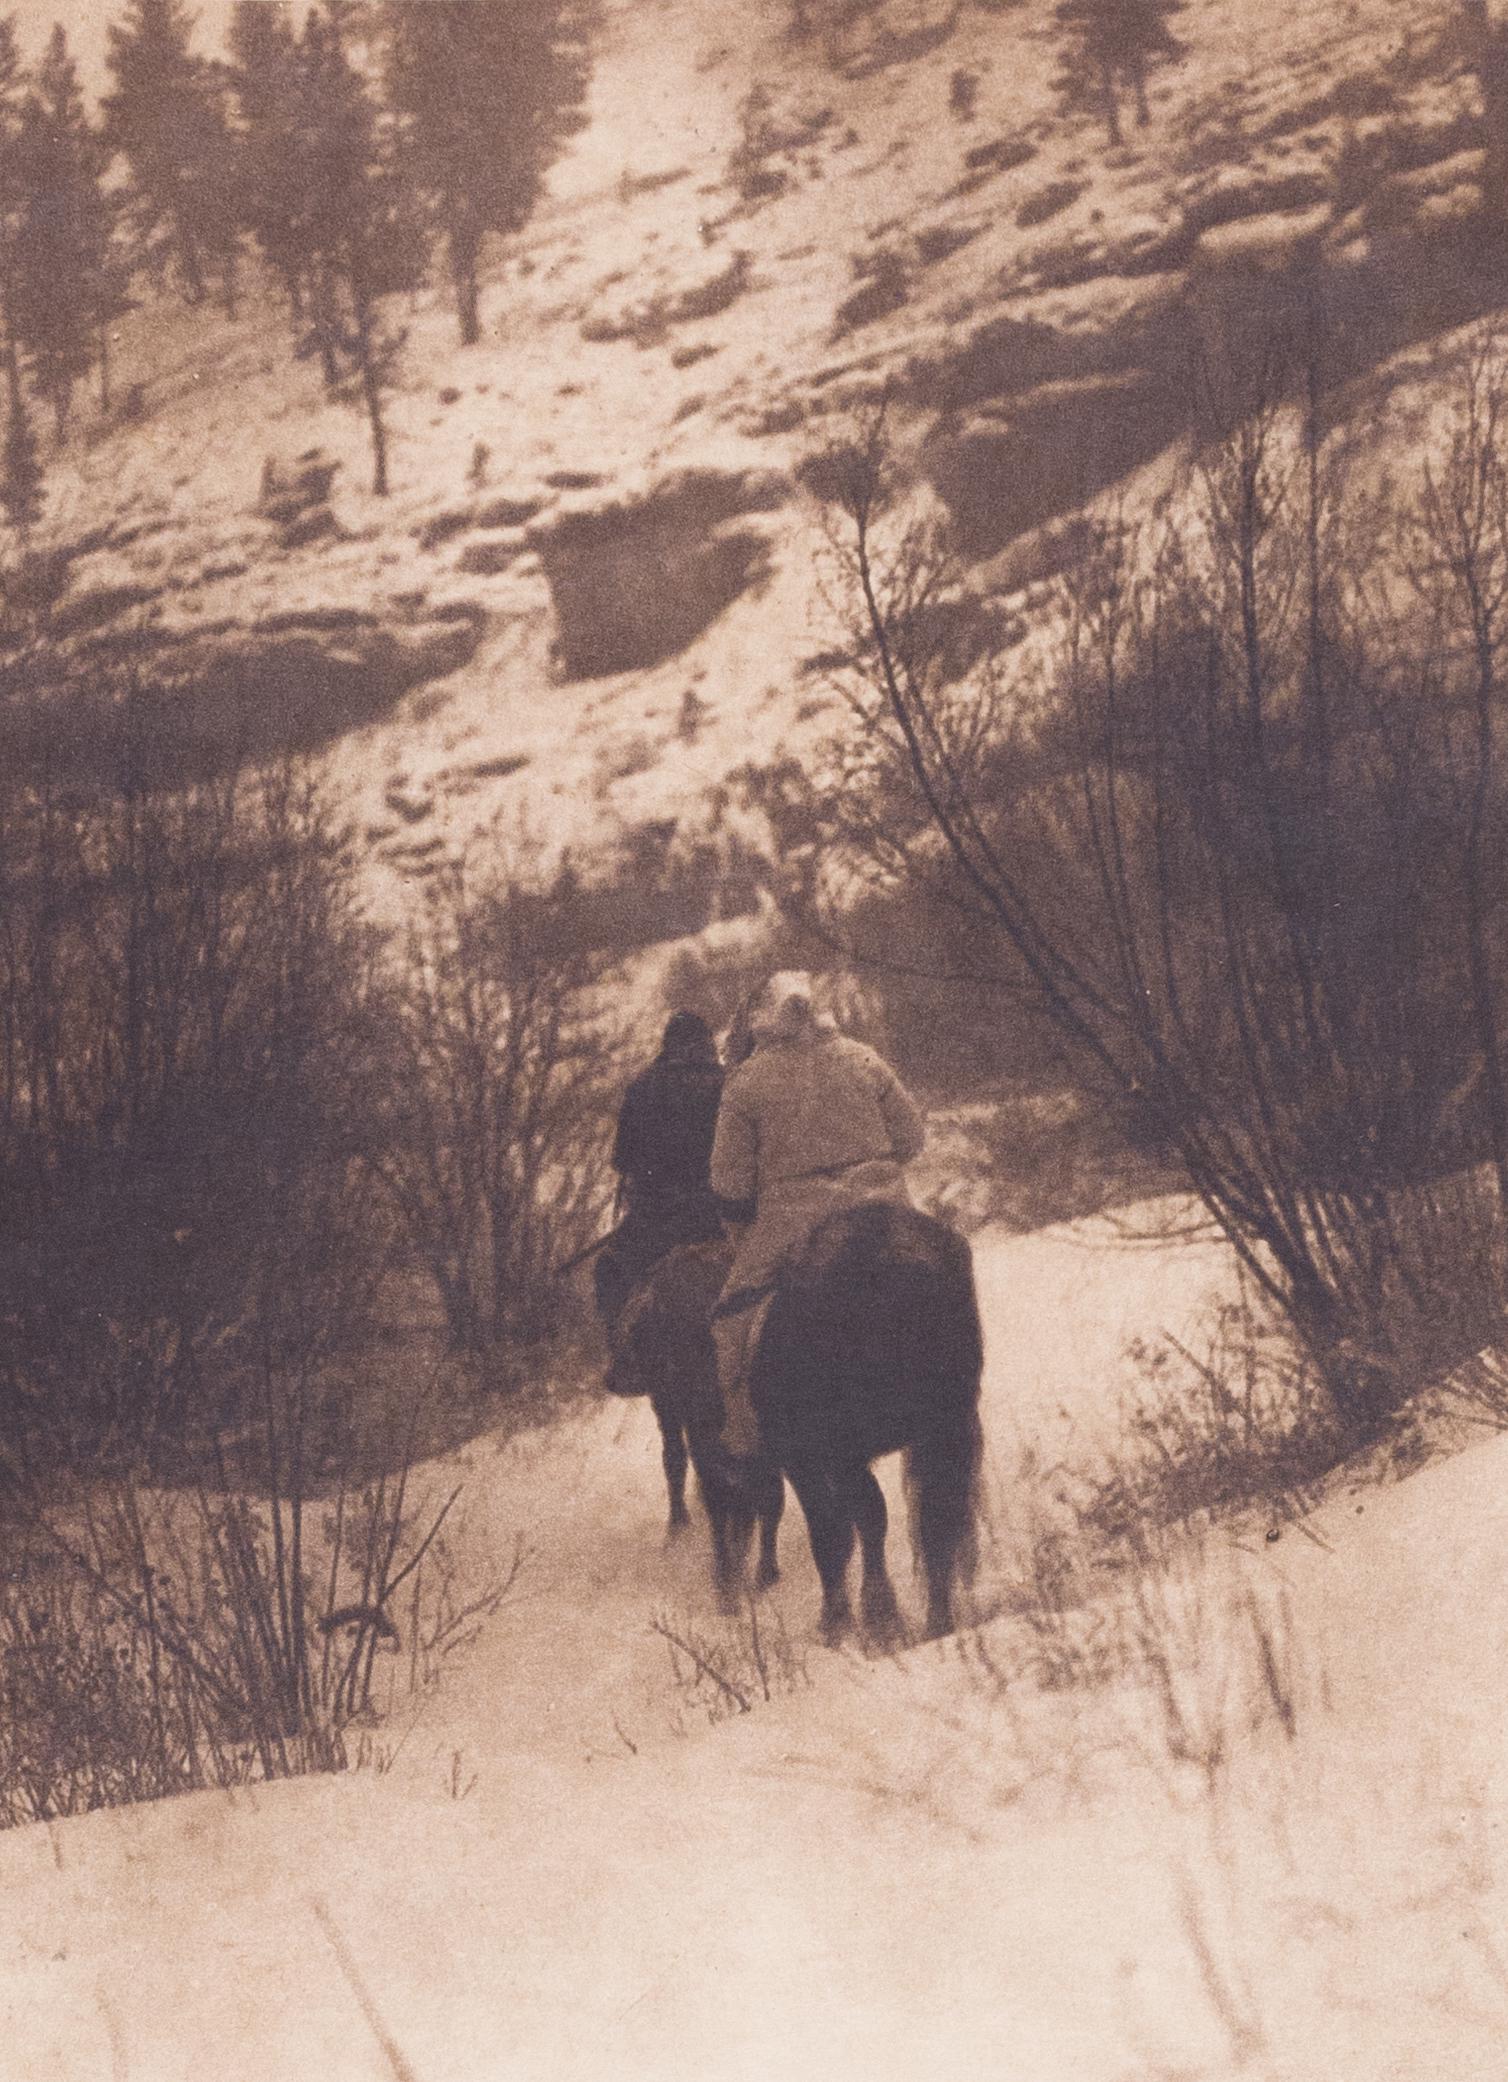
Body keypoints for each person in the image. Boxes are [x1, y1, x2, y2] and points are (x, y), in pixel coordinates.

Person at [708, 971, 926, 1466]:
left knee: (731, 1315)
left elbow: (730, 1186)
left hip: (795, 1221)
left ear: (762, 1021)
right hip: (885, 1205)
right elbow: (912, 1139)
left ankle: (742, 1433)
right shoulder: (864, 1057)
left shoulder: (746, 1084)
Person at [594, 1010, 727, 1337]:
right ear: (708, 1044)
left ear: (668, 1046)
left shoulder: (642, 1087)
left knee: (609, 1271)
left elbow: (622, 1161)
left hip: (657, 1220)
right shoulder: (732, 1082)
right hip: (721, 1216)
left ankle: (623, 1358)